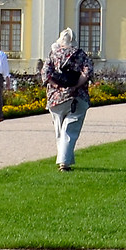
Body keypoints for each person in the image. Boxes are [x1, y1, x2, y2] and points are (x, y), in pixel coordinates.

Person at [43, 28, 94, 171]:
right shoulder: (80, 54)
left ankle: (65, 161)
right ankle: (64, 163)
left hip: (55, 99)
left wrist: (58, 86)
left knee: (60, 131)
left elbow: (45, 73)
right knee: (70, 131)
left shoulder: (53, 54)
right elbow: (87, 72)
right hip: (76, 97)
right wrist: (76, 85)